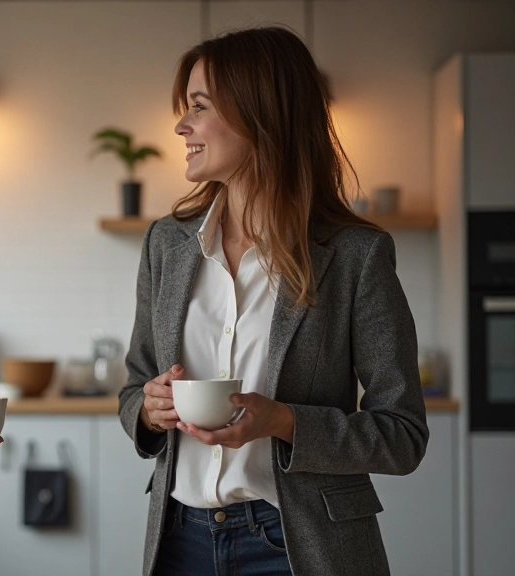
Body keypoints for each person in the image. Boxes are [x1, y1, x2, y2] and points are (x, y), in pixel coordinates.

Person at [117, 26, 428, 576]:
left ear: (260, 115)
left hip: (298, 545)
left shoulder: (355, 256)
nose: (181, 125)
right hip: (180, 541)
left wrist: (283, 421)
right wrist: (149, 409)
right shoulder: (166, 244)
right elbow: (134, 387)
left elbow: (401, 436)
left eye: (199, 106)